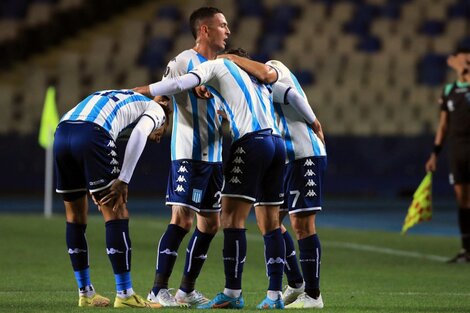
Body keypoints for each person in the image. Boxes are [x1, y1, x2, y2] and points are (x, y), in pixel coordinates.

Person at [134, 48, 322, 309]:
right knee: (271, 222)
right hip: (277, 145)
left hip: (251, 142)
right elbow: (286, 94)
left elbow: (178, 83)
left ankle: (232, 292)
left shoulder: (216, 65)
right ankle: (274, 296)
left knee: (231, 218)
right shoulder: (256, 82)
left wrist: (139, 91)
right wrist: (314, 121)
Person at [217, 54, 326, 308]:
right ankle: (296, 283)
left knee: (302, 224)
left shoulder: (272, 70)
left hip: (304, 153)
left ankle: (313, 295)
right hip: (285, 158)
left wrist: (315, 123)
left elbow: (293, 96)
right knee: (272, 222)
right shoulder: (252, 91)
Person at [144, 7, 231, 308]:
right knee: (181, 219)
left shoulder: (224, 67)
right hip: (187, 155)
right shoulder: (181, 62)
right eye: (222, 25)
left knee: (210, 224)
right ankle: (158, 290)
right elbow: (162, 97)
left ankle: (185, 291)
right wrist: (160, 122)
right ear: (204, 30)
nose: (227, 31)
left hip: (215, 156)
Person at [54, 89, 167, 308]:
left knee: (75, 215)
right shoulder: (156, 109)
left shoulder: (123, 96)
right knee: (117, 210)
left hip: (63, 131)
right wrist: (123, 179)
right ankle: (125, 294)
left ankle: (85, 293)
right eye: (163, 130)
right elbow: (140, 134)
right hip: (92, 132)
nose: (160, 137)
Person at [425, 45, 470, 263]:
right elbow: (443, 126)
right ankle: (466, 249)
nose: (465, 64)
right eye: (463, 60)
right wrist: (435, 154)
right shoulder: (449, 90)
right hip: (458, 149)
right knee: (462, 199)